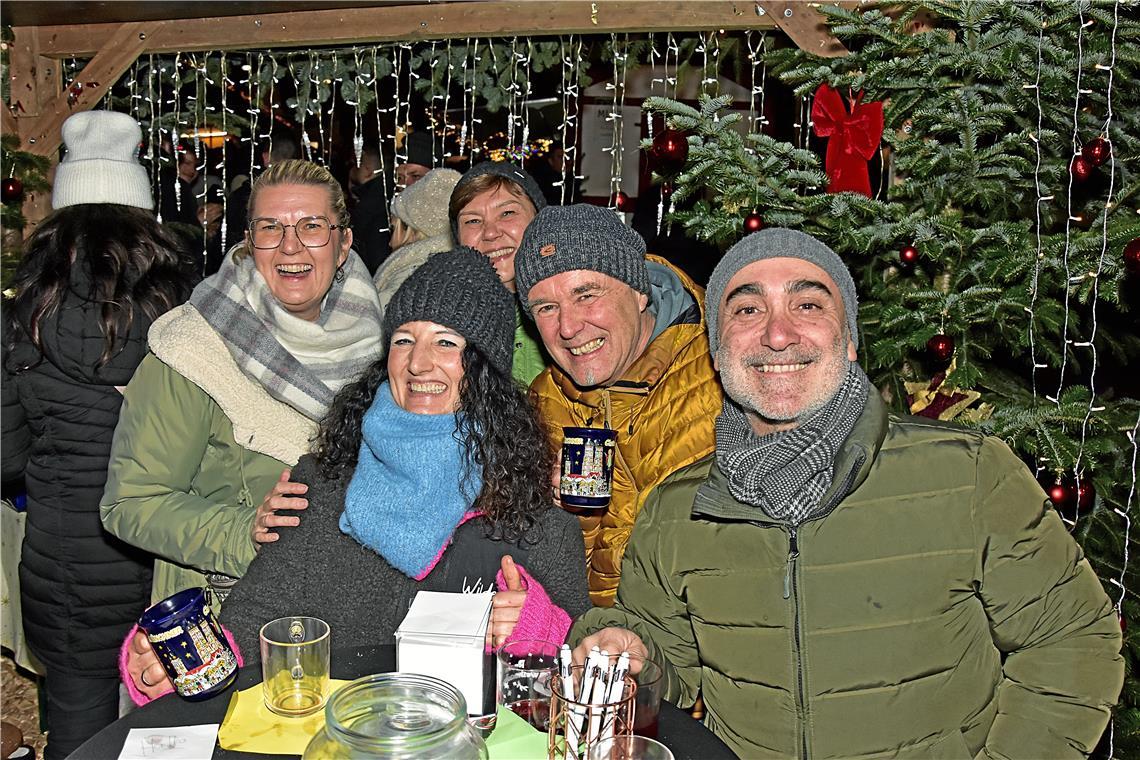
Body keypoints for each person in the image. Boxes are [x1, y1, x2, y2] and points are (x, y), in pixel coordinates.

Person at [570, 228, 1124, 758]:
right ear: (717, 352)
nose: (777, 334)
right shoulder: (675, 509)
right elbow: (668, 666)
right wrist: (627, 647)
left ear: (851, 340)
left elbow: (1072, 641)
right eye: (746, 309)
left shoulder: (967, 473)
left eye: (808, 306)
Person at [122, 247, 590, 701]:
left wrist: (537, 631)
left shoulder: (535, 515)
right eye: (403, 339)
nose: (418, 362)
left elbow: (585, 666)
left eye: (446, 342)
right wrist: (180, 663)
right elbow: (254, 623)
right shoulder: (321, 488)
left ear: (486, 369)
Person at [101, 159, 384, 613]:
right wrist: (243, 529)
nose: (290, 247)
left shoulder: (381, 341)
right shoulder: (194, 350)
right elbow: (131, 503)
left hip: (353, 602)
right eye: (270, 228)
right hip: (237, 612)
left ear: (343, 241)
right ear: (251, 242)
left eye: (312, 226)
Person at [1, 110, 198, 759]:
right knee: (180, 726)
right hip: (167, 555)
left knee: (79, 729)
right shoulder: (184, 313)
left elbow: (6, 455)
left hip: (65, 563)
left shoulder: (21, 320)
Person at [514, 204, 722, 607]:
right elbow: (549, 583)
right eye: (546, 308)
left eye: (586, 295)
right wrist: (567, 516)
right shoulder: (546, 402)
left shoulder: (719, 375)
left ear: (639, 291)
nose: (569, 327)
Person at [449, 161, 551, 387]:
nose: (491, 233)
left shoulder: (573, 310)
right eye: (473, 220)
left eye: (507, 213)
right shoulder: (445, 317)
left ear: (538, 219)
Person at [373, 167, 462, 314]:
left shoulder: (410, 276)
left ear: (413, 231)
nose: (389, 242)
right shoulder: (449, 268)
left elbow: (374, 319)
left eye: (394, 229)